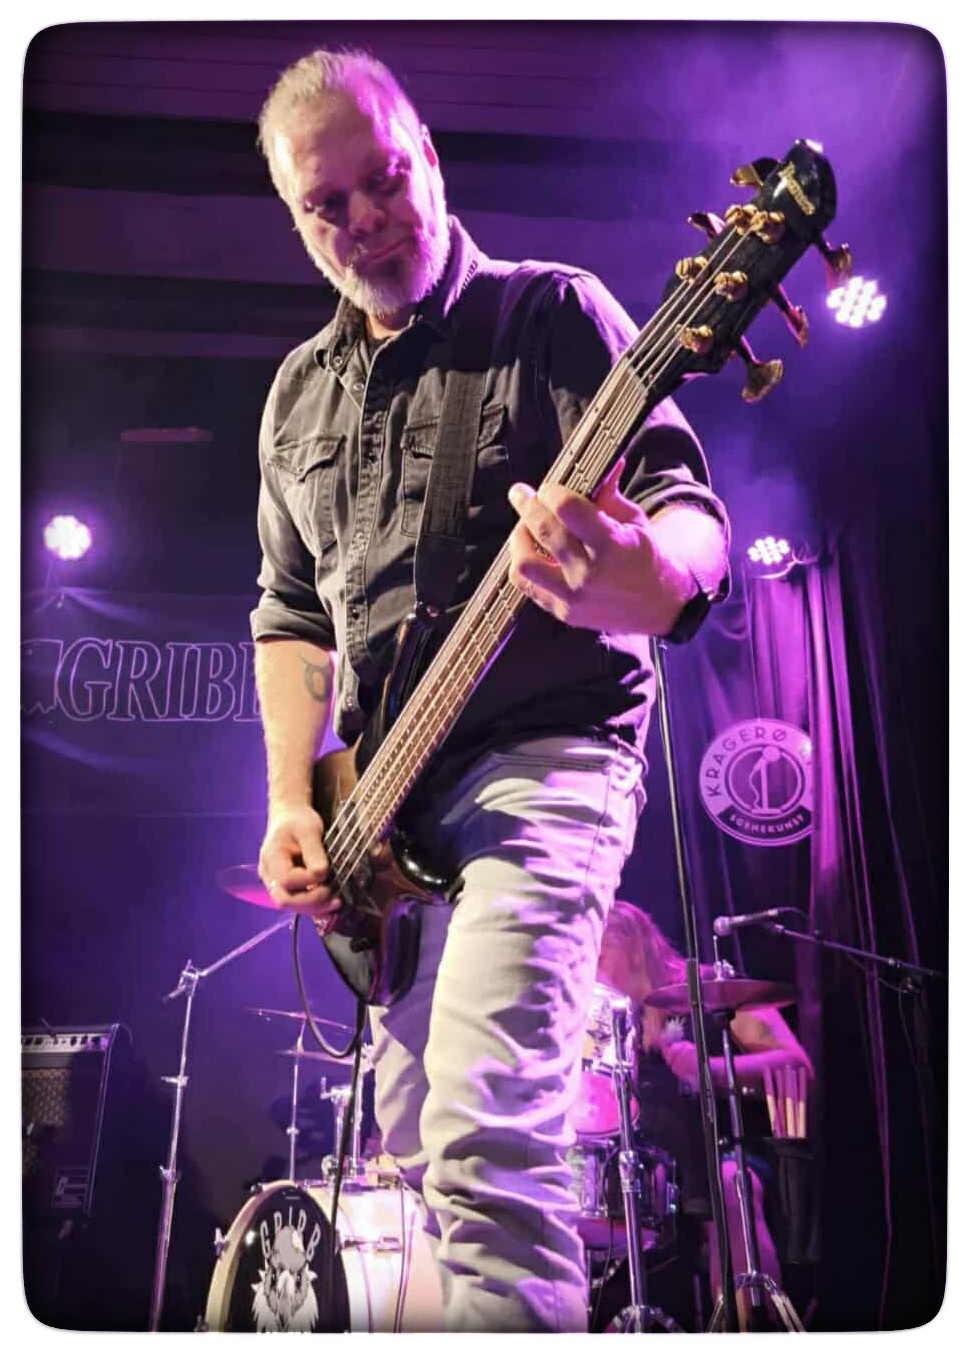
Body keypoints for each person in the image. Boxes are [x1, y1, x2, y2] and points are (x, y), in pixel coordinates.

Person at [248, 46, 730, 1333]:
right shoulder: (294, 398)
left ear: (428, 157)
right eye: (325, 204)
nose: (363, 219)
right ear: (296, 217)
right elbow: (291, 616)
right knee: (418, 1154)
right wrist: (294, 799)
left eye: (382, 180)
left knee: (482, 1127)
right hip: (384, 819)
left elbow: (689, 517)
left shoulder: (550, 314)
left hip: (546, 759)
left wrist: (642, 574)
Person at [595, 900, 814, 1328]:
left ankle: (747, 1330)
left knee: (732, 1184)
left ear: (632, 947)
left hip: (728, 1152)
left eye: (599, 957)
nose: (592, 973)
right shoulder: (609, 1020)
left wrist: (709, 1069)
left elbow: (797, 1067)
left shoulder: (712, 989)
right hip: (652, 1173)